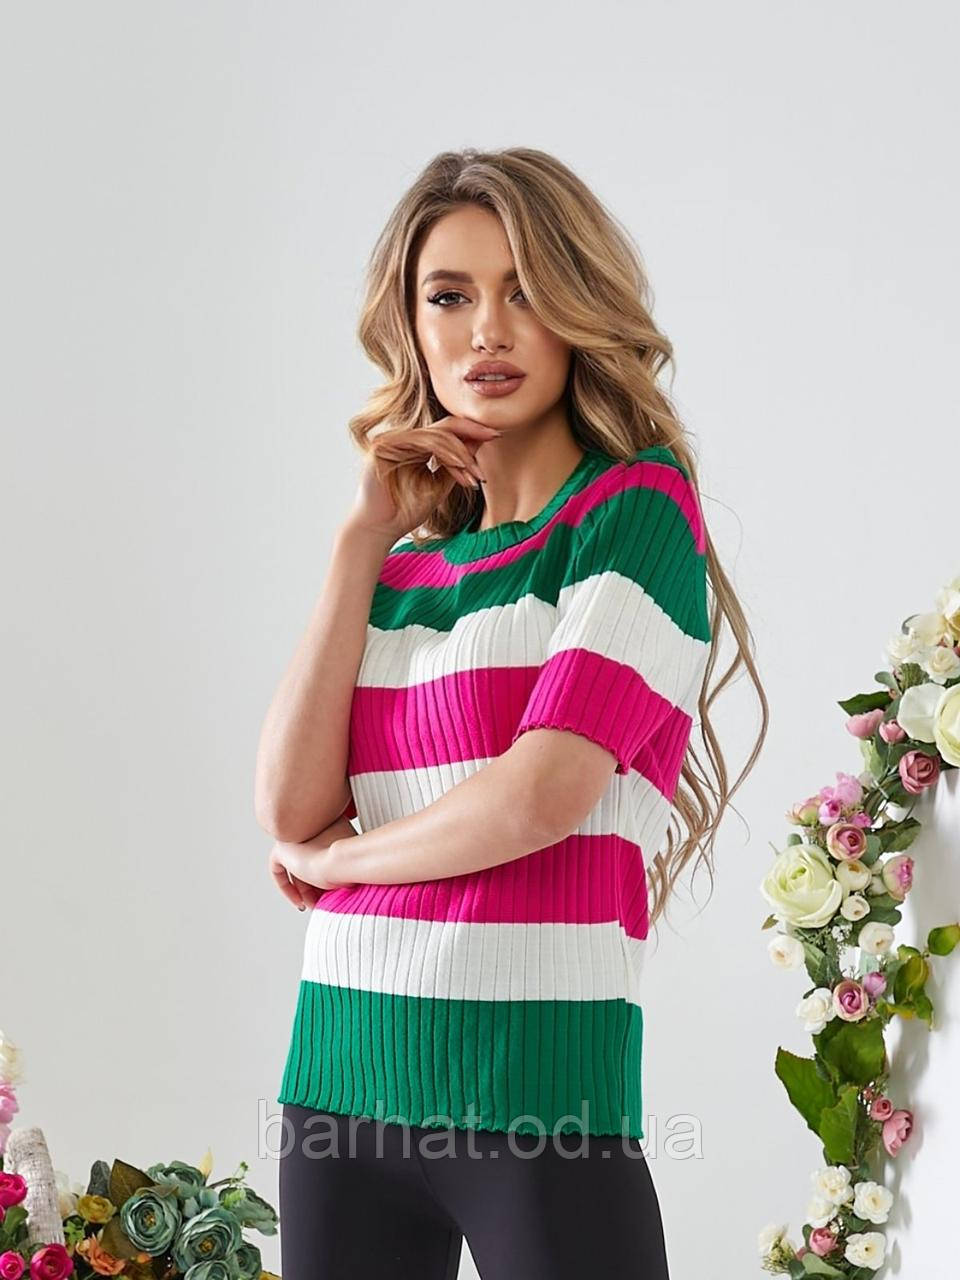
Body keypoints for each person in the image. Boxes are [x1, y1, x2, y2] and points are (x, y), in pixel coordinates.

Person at [255, 147, 768, 1279]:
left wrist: (341, 864)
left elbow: (542, 794)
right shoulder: (402, 570)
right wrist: (360, 538)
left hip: (539, 1085)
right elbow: (288, 805)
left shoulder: (634, 510)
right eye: (450, 296)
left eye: (524, 290)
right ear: (411, 325)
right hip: (338, 1077)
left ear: (579, 310)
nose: (487, 329)